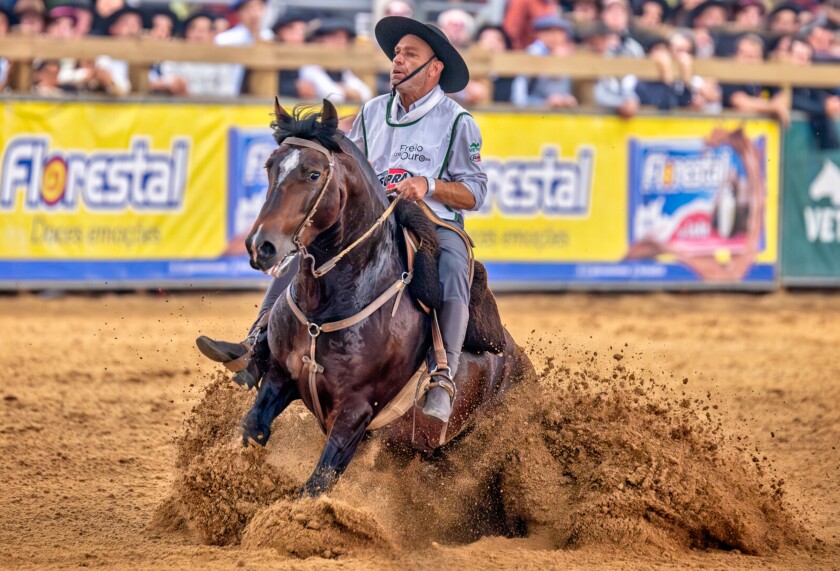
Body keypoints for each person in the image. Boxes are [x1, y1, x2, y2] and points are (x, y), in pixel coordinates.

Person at [197, 16, 487, 424]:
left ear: (434, 68)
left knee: (455, 263)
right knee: (310, 252)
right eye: (397, 54)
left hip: (431, 221)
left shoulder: (459, 122)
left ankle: (443, 374)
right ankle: (257, 344)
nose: (398, 61)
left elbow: (475, 192)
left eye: (410, 55)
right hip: (372, 218)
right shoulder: (372, 111)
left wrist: (429, 184)